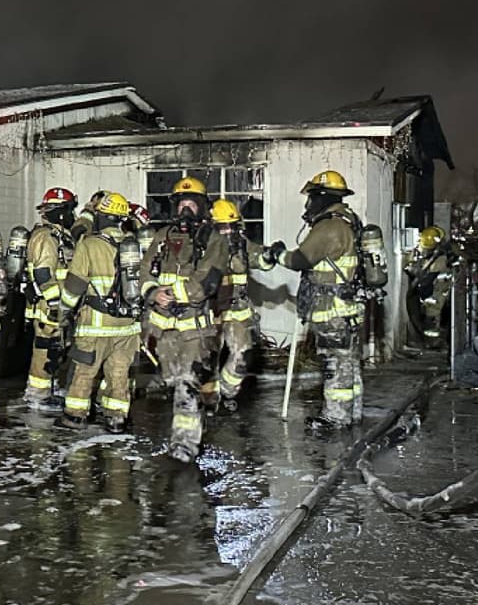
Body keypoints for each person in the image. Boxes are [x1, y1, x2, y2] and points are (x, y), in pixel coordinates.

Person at [265, 170, 365, 434]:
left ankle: (335, 418)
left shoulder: (330, 227)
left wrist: (278, 254)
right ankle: (351, 414)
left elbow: (300, 260)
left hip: (332, 310)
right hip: (348, 307)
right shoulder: (349, 221)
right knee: (349, 364)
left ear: (321, 196)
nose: (308, 205)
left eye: (311, 198)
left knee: (335, 364)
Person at [140, 177, 230, 463]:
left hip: (194, 331)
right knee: (172, 383)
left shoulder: (214, 240)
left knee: (187, 388)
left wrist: (175, 294)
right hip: (163, 331)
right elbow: (144, 272)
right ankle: (181, 438)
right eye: (182, 203)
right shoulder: (162, 237)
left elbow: (207, 281)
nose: (186, 209)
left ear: (202, 207)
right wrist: (154, 292)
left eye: (192, 203)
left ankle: (184, 448)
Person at [55, 192, 141, 433]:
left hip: (96, 325)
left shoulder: (89, 244)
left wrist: (63, 312)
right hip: (127, 327)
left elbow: (74, 286)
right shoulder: (131, 245)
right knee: (119, 374)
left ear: (101, 217)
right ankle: (116, 419)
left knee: (84, 372)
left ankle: (75, 416)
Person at [209, 199, 273, 410]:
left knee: (243, 355)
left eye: (232, 226)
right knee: (207, 358)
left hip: (237, 311)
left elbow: (260, 259)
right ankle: (206, 399)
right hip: (211, 312)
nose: (227, 232)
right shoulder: (202, 248)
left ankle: (227, 391)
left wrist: (271, 255)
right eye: (222, 227)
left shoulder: (241, 244)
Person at [23, 187, 78, 412]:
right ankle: (37, 394)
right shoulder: (46, 236)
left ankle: (50, 388)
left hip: (56, 304)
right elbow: (43, 273)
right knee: (45, 348)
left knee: (55, 348)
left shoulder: (59, 235)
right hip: (48, 306)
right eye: (70, 210)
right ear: (61, 213)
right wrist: (57, 305)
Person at [404, 225, 453, 348]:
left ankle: (434, 343)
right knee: (430, 316)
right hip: (431, 291)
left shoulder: (441, 257)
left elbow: (433, 275)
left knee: (433, 316)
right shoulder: (430, 253)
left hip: (437, 291)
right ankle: (431, 342)